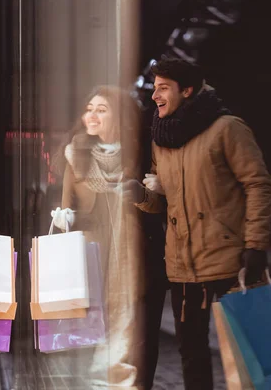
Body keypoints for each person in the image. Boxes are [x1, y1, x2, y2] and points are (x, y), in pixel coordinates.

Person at [127, 58, 271, 390]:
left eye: (163, 88)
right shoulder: (160, 139)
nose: (155, 96)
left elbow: (258, 185)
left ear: (187, 90)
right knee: (191, 355)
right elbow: (161, 203)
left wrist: (255, 245)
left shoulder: (227, 128)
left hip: (229, 262)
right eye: (155, 88)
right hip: (182, 267)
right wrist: (138, 195)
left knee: (246, 356)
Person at [51, 85, 163, 389]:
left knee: (132, 337)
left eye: (102, 109)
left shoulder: (140, 153)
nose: (92, 115)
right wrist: (63, 218)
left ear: (119, 117)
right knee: (92, 332)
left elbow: (157, 204)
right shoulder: (75, 153)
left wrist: (141, 195)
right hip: (91, 255)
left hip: (133, 256)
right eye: (89, 109)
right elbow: (66, 206)